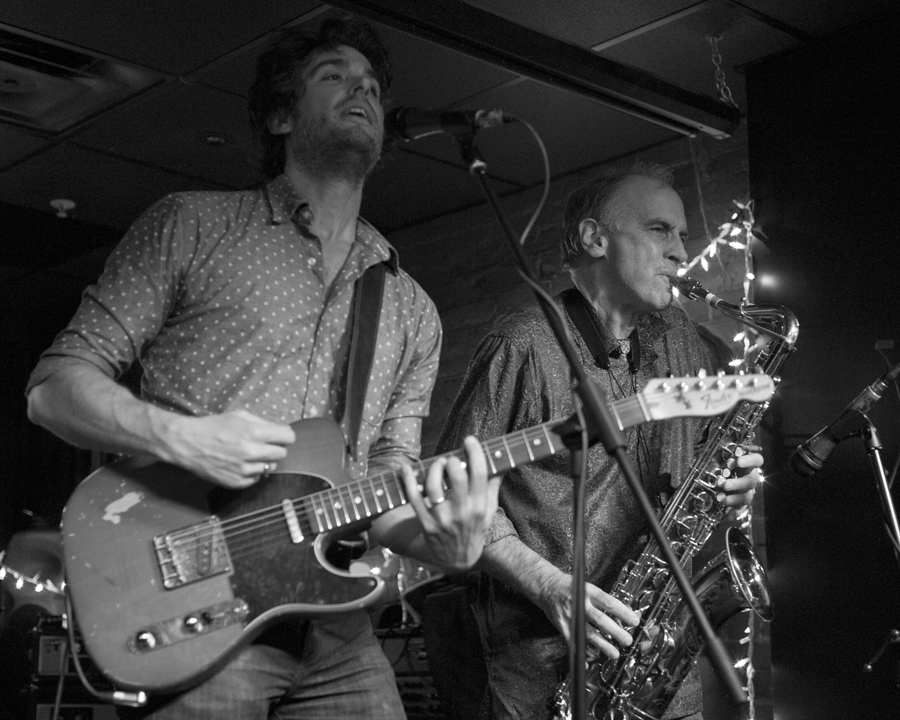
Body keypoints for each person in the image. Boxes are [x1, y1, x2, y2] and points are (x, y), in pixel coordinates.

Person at [25, 17, 499, 720]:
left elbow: (383, 488)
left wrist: (443, 543)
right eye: (334, 76)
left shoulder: (411, 308)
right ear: (280, 117)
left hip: (334, 622)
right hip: (196, 605)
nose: (362, 92)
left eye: (372, 86)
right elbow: (53, 388)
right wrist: (182, 437)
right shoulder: (192, 225)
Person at [433, 163, 763, 720]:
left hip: (656, 663)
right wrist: (548, 585)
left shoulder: (684, 340)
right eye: (659, 230)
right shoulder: (522, 345)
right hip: (536, 668)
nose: (681, 252)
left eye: (683, 235)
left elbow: (714, 458)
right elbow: (449, 494)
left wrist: (738, 479)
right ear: (594, 238)